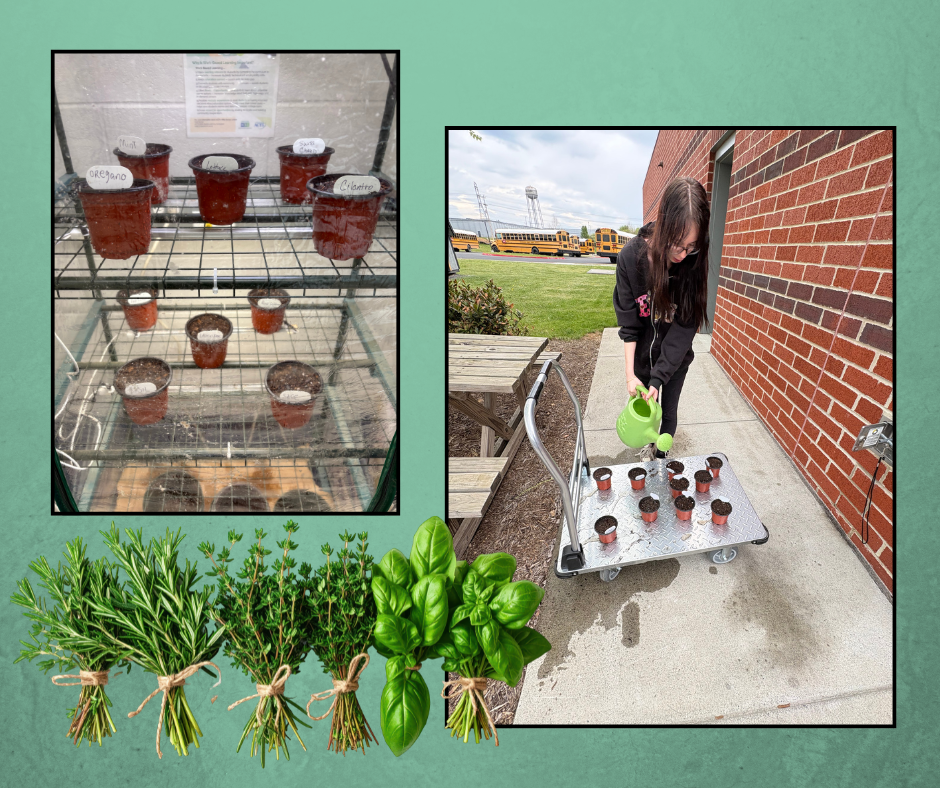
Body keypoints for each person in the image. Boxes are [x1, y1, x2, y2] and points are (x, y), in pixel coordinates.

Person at [613, 177, 711, 459]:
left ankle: (660, 458)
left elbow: (684, 328)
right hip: (642, 358)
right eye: (677, 244)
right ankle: (647, 446)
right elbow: (629, 326)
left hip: (675, 361)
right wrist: (632, 376)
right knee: (645, 410)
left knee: (668, 414)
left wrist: (660, 378)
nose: (682, 254)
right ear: (664, 225)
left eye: (691, 246)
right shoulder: (631, 259)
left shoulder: (693, 262)